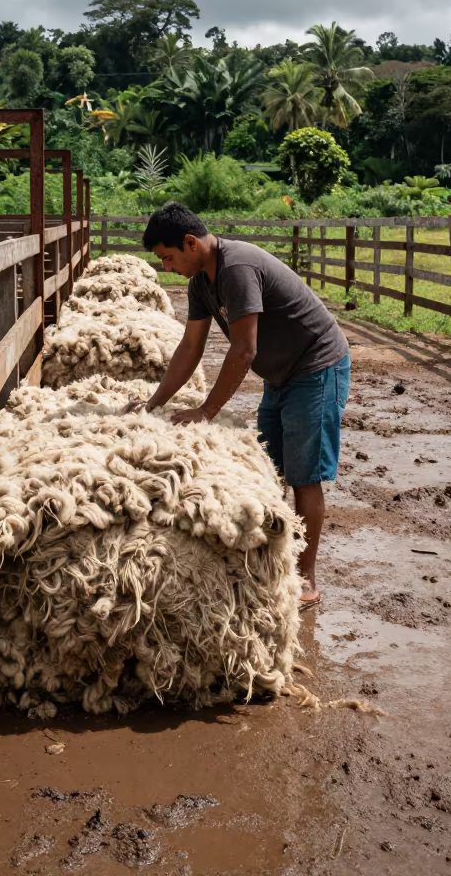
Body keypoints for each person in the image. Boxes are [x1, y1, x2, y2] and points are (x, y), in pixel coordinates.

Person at [135, 202, 350, 610]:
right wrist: (153, 403)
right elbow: (190, 347)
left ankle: (306, 580)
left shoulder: (237, 268)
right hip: (280, 374)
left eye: (167, 256)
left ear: (190, 242)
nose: (165, 266)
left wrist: (206, 411)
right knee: (271, 469)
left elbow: (244, 349)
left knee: (304, 476)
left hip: (316, 367)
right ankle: (273, 562)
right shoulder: (201, 282)